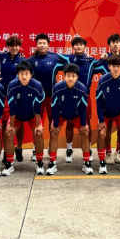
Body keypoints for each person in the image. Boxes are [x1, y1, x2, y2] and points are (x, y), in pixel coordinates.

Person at [62, 37, 106, 164]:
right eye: (76, 45)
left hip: (85, 97)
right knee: (69, 123)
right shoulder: (68, 59)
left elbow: (104, 64)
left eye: (81, 44)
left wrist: (105, 56)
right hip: (69, 96)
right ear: (73, 47)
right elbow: (52, 57)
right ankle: (69, 149)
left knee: (86, 123)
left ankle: (88, 149)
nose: (79, 46)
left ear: (84, 46)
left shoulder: (91, 61)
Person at [27, 33, 70, 161]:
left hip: (52, 97)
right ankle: (36, 149)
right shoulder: (31, 60)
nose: (41, 45)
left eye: (44, 43)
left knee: (53, 124)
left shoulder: (55, 57)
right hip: (37, 97)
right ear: (36, 45)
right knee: (36, 124)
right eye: (39, 43)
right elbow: (21, 67)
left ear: (48, 45)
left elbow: (69, 61)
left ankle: (52, 149)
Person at [4, 61, 45, 176]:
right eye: (21, 73)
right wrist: (11, 125)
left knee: (38, 133)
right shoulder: (12, 85)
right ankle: (9, 164)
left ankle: (40, 163)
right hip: (17, 115)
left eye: (27, 73)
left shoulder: (37, 85)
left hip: (32, 115)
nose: (24, 76)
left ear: (31, 75)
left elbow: (38, 107)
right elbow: (12, 106)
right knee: (9, 134)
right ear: (17, 74)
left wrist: (38, 125)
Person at [0, 36, 26, 164]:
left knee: (20, 123)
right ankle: (6, 151)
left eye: (17, 46)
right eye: (11, 46)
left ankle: (19, 148)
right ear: (7, 47)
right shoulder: (1, 57)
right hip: (3, 95)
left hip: (18, 96)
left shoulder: (23, 61)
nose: (14, 48)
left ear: (20, 47)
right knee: (6, 124)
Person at [95, 55, 120, 175]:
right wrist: (101, 120)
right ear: (109, 67)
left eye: (118, 66)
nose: (116, 69)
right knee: (102, 132)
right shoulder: (103, 80)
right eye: (113, 66)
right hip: (105, 113)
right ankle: (103, 161)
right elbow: (98, 102)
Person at [51, 64, 90, 175]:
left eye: (73, 76)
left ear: (77, 77)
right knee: (53, 132)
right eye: (68, 76)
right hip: (61, 114)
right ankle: (52, 163)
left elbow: (83, 108)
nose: (70, 78)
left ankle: (87, 162)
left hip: (76, 115)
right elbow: (54, 106)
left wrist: (83, 124)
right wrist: (55, 123)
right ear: (64, 76)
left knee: (85, 132)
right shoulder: (57, 88)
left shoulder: (82, 89)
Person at [99, 33, 120, 165]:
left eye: (117, 42)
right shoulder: (104, 60)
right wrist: (99, 59)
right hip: (107, 100)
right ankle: (108, 152)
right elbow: (91, 67)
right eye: (113, 42)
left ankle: (119, 151)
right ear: (109, 45)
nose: (115, 44)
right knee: (108, 127)